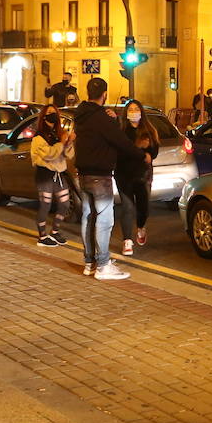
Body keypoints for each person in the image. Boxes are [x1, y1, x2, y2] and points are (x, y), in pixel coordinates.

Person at [73, 77, 149, 280]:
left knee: (88, 217)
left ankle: (90, 262)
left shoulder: (80, 115)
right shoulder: (102, 118)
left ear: (87, 92)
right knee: (104, 220)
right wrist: (143, 155)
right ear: (104, 94)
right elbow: (121, 142)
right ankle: (103, 265)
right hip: (100, 175)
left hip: (83, 174)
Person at [115, 100, 159, 254]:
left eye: (136, 109)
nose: (134, 112)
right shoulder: (121, 131)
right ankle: (127, 241)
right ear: (126, 113)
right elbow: (121, 152)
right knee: (127, 207)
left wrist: (149, 153)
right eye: (131, 109)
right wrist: (140, 149)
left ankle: (141, 226)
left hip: (143, 175)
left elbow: (154, 151)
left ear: (141, 112)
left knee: (143, 207)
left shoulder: (149, 129)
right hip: (123, 175)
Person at [30, 104, 74, 247]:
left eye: (54, 112)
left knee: (64, 204)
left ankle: (55, 231)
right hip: (45, 174)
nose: (52, 115)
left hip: (59, 173)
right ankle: (42, 236)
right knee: (45, 205)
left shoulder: (58, 133)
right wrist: (61, 143)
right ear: (44, 116)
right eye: (49, 113)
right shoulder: (39, 136)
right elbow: (49, 154)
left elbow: (69, 155)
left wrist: (69, 143)